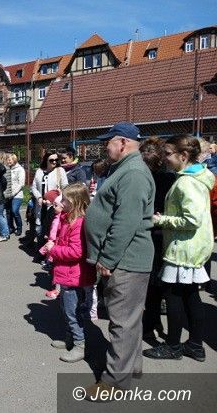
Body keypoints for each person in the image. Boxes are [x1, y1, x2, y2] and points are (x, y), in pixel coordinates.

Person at [84, 122, 155, 396]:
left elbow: (126, 222)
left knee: (121, 322)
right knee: (129, 319)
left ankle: (114, 382)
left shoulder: (133, 173)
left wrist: (108, 257)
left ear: (123, 142)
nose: (105, 147)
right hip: (125, 259)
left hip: (125, 259)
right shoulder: (125, 169)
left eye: (108, 142)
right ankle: (130, 368)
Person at [143, 135, 214, 362]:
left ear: (183, 156)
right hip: (192, 247)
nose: (164, 158)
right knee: (191, 297)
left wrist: (161, 220)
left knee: (173, 297)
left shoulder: (186, 182)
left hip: (182, 249)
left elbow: (191, 219)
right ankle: (195, 345)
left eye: (168, 154)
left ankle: (173, 346)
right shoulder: (197, 177)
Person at [45, 184, 95, 363]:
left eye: (65, 200)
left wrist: (53, 249)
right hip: (67, 274)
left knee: (73, 313)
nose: (62, 203)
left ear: (75, 202)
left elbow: (76, 252)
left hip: (73, 275)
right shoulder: (68, 219)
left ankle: (80, 345)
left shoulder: (78, 222)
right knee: (67, 310)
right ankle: (70, 339)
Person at [139, 137, 176, 343]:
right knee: (160, 284)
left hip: (153, 232)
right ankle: (157, 325)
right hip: (166, 233)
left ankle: (149, 326)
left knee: (152, 284)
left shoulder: (147, 179)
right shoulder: (171, 178)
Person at [30, 150, 68, 260]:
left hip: (53, 206)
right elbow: (33, 187)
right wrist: (39, 197)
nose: (54, 162)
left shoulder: (60, 171)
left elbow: (65, 187)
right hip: (40, 205)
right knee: (39, 229)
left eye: (56, 160)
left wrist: (57, 196)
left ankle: (49, 257)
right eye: (52, 160)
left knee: (51, 231)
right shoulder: (39, 171)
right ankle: (41, 253)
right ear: (46, 160)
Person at [39, 190, 64, 298]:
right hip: (54, 242)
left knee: (58, 268)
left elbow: (55, 231)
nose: (54, 207)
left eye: (56, 205)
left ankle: (58, 290)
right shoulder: (57, 216)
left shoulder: (61, 218)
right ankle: (57, 287)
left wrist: (51, 238)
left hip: (56, 244)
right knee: (55, 267)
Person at [4, 154, 26, 237]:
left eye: (10, 159)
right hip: (8, 194)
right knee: (8, 212)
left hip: (17, 195)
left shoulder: (20, 169)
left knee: (14, 210)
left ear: (14, 160)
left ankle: (19, 227)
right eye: (7, 160)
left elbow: (21, 184)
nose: (8, 161)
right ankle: (11, 227)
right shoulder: (7, 169)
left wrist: (13, 193)